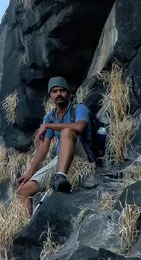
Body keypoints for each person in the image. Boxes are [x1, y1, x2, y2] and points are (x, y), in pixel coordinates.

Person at [16, 76, 93, 216]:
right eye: (54, 91)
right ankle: (27, 229)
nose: (58, 94)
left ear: (68, 93)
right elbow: (43, 147)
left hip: (82, 155)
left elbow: (80, 127)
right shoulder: (50, 117)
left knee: (67, 132)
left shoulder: (78, 108)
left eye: (62, 90)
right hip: (61, 158)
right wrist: (30, 172)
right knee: (24, 190)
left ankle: (60, 177)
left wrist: (48, 126)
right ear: (50, 96)